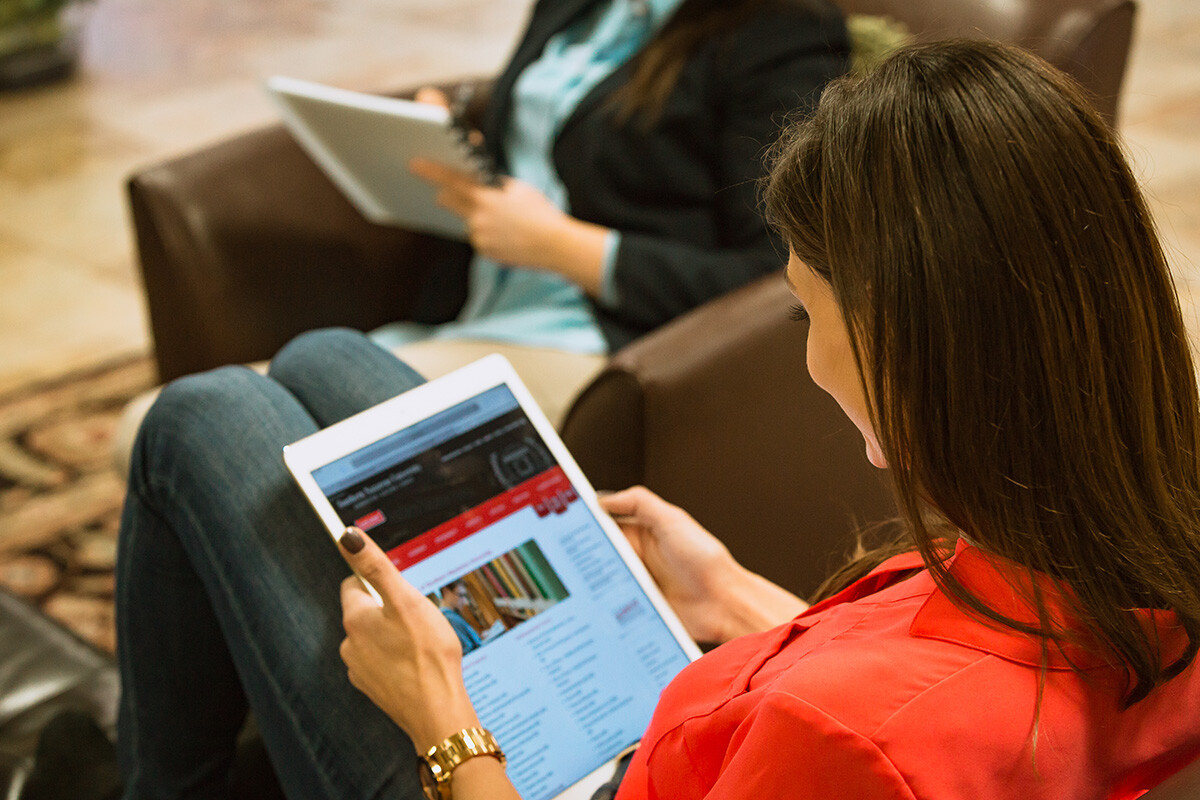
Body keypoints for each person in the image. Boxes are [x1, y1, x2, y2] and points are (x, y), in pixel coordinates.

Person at [113, 38, 1200, 800]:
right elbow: (933, 709)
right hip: (709, 724)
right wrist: (730, 593)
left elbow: (876, 739)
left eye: (803, 311)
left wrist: (439, 717)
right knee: (329, 364)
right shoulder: (1129, 544)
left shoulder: (852, 733)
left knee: (204, 418)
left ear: (900, 351)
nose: (804, 349)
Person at [361, 0, 851, 426]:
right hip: (476, 313)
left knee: (314, 405)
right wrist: (455, 147)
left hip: (600, 348)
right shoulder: (579, 7)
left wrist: (559, 246)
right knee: (299, 377)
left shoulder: (782, 31)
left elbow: (776, 274)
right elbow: (553, 153)